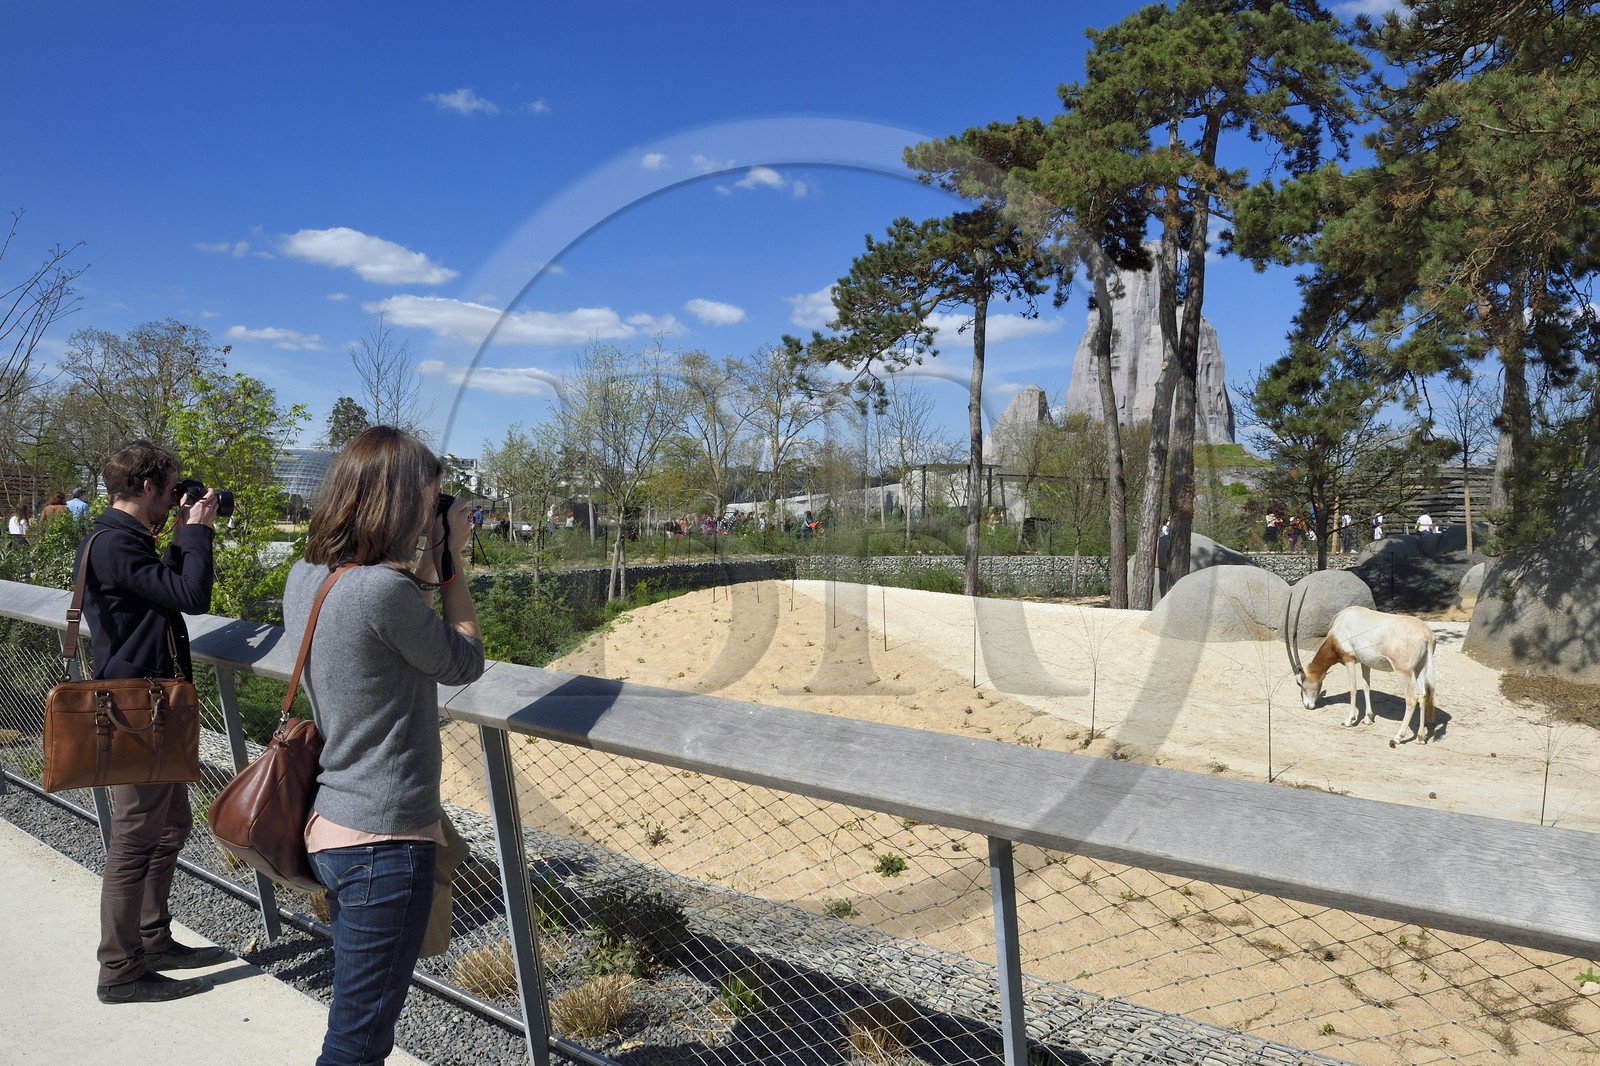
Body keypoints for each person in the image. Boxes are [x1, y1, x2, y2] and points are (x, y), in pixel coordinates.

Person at [284, 426, 485, 1066]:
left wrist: (428, 558)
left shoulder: (309, 575)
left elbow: (389, 613)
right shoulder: (382, 592)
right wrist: (452, 561)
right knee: (358, 1041)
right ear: (401, 501)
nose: (436, 507)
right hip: (385, 842)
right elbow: (463, 660)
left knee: (355, 1021)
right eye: (430, 497)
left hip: (334, 823)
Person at [80, 441, 223, 1004]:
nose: (176, 497)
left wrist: (179, 534)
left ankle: (151, 939)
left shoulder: (125, 540)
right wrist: (196, 532)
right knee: (134, 841)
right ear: (147, 488)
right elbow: (191, 594)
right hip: (138, 712)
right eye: (171, 489)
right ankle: (118, 969)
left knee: (170, 828)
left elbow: (157, 596)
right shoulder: (115, 543)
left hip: (153, 706)